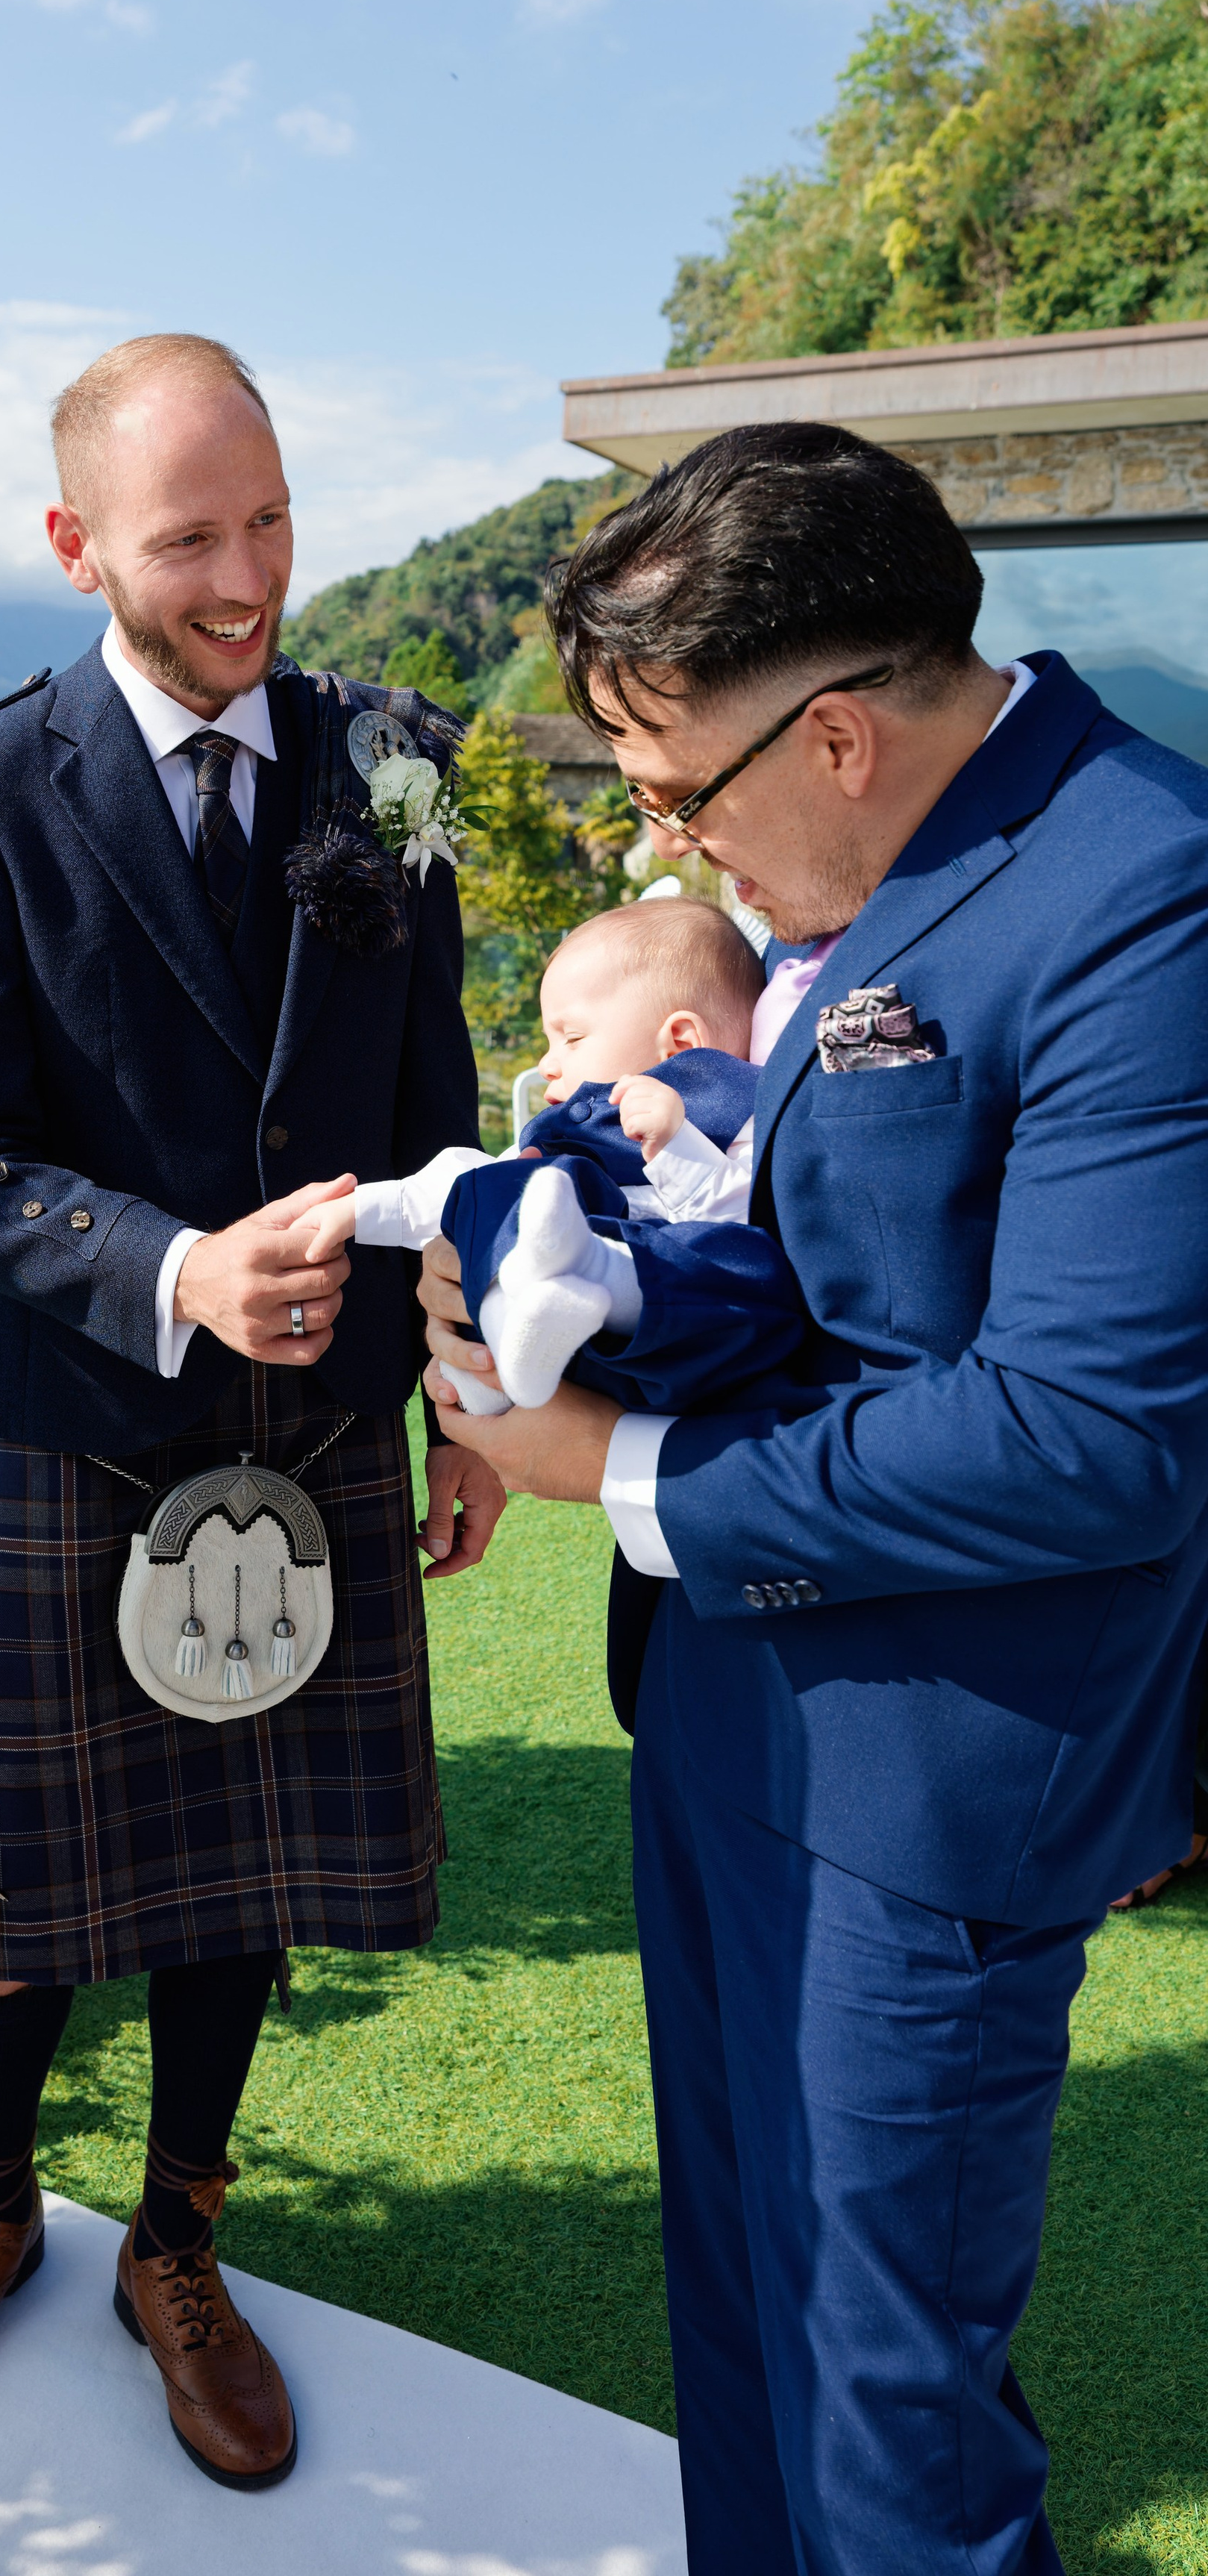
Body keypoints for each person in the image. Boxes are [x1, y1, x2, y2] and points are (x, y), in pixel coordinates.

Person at [425, 422, 1208, 2575]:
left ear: (841, 735)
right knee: (753, 2323)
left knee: (894, 2422)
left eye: (681, 799)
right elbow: (806, 1248)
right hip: (727, 1711)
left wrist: (627, 1465)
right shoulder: (868, 866)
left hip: (933, 1778)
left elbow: (1089, 1431)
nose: (672, 860)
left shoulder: (1150, 890)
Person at [0, 333, 507, 2488]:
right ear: (75, 551)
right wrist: (174, 1267)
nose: (248, 579)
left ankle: (178, 2237)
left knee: (242, 1882)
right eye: (190, 538)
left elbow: (440, 1123)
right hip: (84, 1420)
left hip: (321, 1437)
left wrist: (459, 1407)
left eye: (273, 518)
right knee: (20, 1896)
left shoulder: (392, 756)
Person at [304, 895, 798, 1416]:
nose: (547, 1063)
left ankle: (531, 1321)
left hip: (675, 1336)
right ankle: (502, 1339)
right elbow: (457, 1185)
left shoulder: (744, 1109)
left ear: (678, 1045)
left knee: (741, 1262)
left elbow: (746, 1229)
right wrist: (360, 1211)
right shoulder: (563, 1133)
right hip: (567, 1341)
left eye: (573, 1037)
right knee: (492, 1184)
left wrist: (677, 1148)